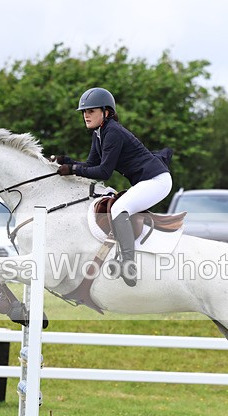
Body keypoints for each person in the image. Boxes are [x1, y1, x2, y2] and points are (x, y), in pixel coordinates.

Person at [53, 87, 173, 286]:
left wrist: (72, 169)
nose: (86, 115)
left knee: (119, 208)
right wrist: (65, 161)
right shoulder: (99, 133)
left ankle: (129, 266)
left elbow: (103, 172)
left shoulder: (113, 132)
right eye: (84, 112)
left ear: (106, 112)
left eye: (91, 111)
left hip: (157, 181)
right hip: (147, 181)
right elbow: (91, 165)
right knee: (119, 206)